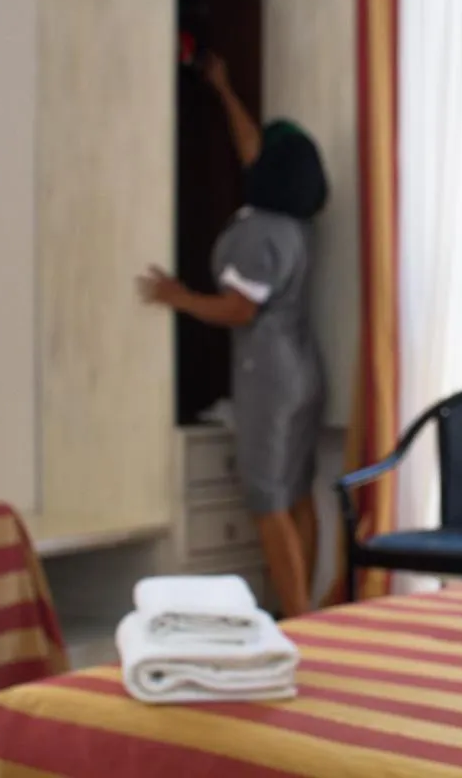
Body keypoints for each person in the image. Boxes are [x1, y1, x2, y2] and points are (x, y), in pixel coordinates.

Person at [137, 52, 327, 619]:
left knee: (268, 500)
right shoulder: (295, 224)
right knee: (297, 492)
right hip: (304, 369)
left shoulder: (258, 231)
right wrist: (222, 88)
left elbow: (240, 309)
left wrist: (179, 297)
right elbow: (252, 149)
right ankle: (311, 613)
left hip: (268, 376)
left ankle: (298, 618)